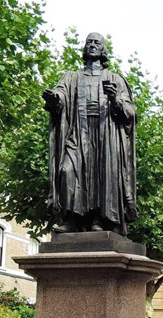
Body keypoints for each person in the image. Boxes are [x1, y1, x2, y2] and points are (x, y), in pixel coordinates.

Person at [43, 32, 138, 234]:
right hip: (78, 132)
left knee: (101, 176)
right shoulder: (71, 77)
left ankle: (98, 219)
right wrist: (54, 100)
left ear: (103, 50)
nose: (92, 45)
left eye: (96, 43)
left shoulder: (115, 79)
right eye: (89, 42)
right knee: (67, 171)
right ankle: (71, 220)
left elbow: (130, 113)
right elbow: (60, 95)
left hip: (104, 135)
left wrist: (115, 100)